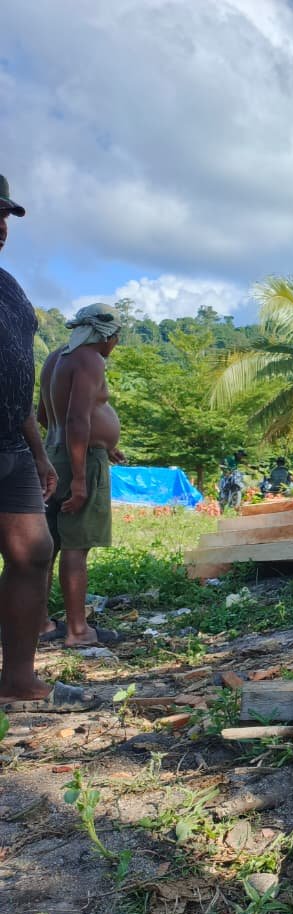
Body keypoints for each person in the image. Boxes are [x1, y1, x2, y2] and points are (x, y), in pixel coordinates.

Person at [0, 174, 94, 711]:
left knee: (34, 551)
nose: (1, 228)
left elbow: (16, 378)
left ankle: (17, 678)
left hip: (11, 444)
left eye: (5, 217)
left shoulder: (10, 289)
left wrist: (38, 454)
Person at [37, 302, 126, 648]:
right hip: (80, 462)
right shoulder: (90, 358)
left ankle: (39, 623)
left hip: (54, 454)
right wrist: (79, 477)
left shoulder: (56, 357)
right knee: (76, 546)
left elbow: (46, 415)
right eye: (116, 338)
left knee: (49, 546)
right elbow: (77, 418)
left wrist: (104, 441)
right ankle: (78, 630)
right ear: (107, 335)